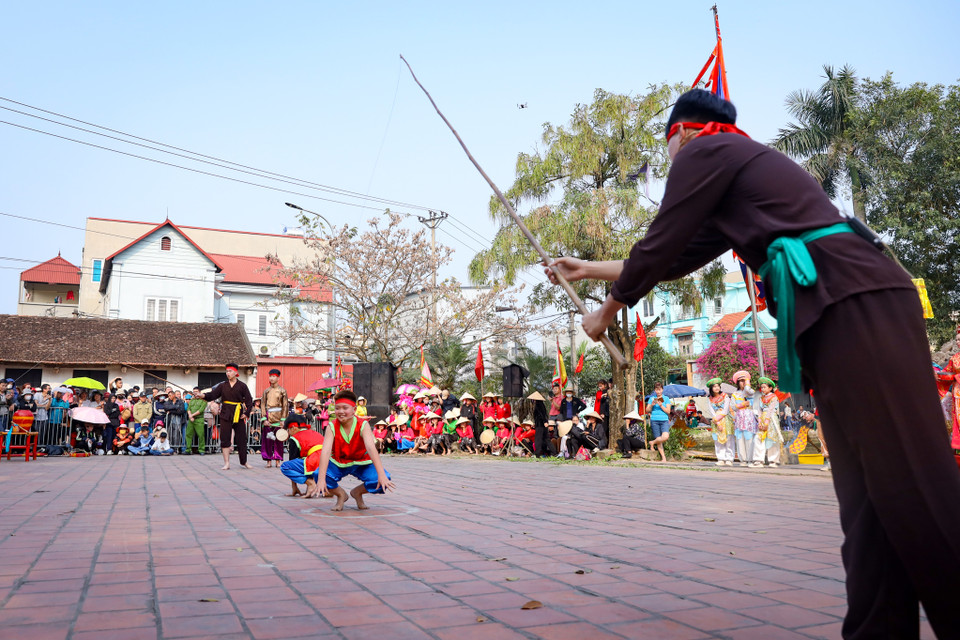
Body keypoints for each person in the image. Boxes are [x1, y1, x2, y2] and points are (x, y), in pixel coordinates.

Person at [546, 87, 960, 637]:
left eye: (668, 149)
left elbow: (661, 241)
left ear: (683, 133)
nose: (673, 162)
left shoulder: (706, 151)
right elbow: (678, 258)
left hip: (853, 299)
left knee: (912, 483)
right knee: (866, 504)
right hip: (838, 308)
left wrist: (607, 311)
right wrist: (589, 269)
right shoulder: (739, 173)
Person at [316, 390, 395, 511]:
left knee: (384, 480)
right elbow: (325, 452)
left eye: (345, 408)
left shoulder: (363, 425)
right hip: (339, 462)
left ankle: (357, 492)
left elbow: (371, 448)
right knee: (318, 475)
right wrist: (321, 480)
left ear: (354, 409)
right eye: (337, 408)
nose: (341, 411)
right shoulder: (331, 427)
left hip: (362, 462)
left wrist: (381, 475)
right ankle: (341, 494)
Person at [203, 363, 254, 470]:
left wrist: (246, 413)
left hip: (238, 413)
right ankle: (227, 463)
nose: (228, 373)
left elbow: (249, 401)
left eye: (230, 371)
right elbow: (212, 395)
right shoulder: (222, 385)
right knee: (225, 438)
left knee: (241, 439)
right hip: (225, 413)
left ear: (236, 373)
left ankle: (244, 462)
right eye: (226, 371)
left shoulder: (242, 386)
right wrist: (202, 395)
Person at [280, 413, 324, 498]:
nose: (289, 433)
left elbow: (292, 461)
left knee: (285, 466)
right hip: (329, 463)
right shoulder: (315, 433)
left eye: (288, 430)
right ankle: (327, 489)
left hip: (315, 461)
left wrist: (294, 486)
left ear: (293, 428)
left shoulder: (295, 438)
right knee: (304, 462)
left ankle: (310, 483)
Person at [260, 369, 288, 468]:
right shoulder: (266, 391)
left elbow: (285, 406)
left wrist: (283, 420)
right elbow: (262, 405)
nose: (272, 378)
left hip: (279, 417)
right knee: (267, 440)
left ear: (278, 378)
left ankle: (278, 459)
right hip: (268, 417)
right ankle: (268, 460)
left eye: (274, 376)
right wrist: (264, 419)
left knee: (279, 440)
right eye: (270, 376)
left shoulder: (282, 391)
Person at [754, 377, 784, 468]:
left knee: (773, 439)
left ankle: (773, 460)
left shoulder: (774, 397)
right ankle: (759, 460)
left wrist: (766, 422)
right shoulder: (761, 398)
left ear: (770, 388)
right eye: (762, 387)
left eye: (764, 387)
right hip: (763, 417)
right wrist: (759, 421)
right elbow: (759, 410)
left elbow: (771, 410)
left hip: (772, 419)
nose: (762, 389)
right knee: (758, 438)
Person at [730, 371, 758, 466]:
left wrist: (747, 385)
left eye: (744, 380)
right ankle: (743, 460)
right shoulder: (735, 394)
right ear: (737, 383)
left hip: (749, 417)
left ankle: (750, 459)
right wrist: (742, 404)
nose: (743, 382)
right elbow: (733, 406)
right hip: (739, 418)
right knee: (740, 438)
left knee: (749, 438)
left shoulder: (751, 392)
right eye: (741, 381)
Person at [705, 379, 735, 465]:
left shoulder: (725, 396)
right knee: (717, 439)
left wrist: (718, 419)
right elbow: (711, 411)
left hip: (725, 419)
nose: (717, 388)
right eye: (714, 386)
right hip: (715, 421)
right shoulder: (709, 399)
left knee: (729, 438)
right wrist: (717, 423)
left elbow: (725, 410)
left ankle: (729, 459)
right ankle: (721, 458)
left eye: (718, 386)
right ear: (711, 388)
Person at [645, 383, 672, 463]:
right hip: (654, 420)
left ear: (662, 390)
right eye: (657, 389)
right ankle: (663, 458)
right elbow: (647, 410)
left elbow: (668, 411)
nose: (658, 391)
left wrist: (661, 405)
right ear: (655, 390)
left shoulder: (666, 399)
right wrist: (652, 405)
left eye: (659, 389)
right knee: (659, 440)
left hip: (664, 420)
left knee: (665, 436)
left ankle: (652, 442)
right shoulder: (652, 398)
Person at [185, 387, 207, 456]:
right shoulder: (192, 400)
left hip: (199, 419)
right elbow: (188, 408)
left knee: (200, 435)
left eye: (196, 391)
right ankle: (188, 449)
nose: (195, 393)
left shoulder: (203, 400)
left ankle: (201, 450)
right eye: (194, 391)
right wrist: (190, 415)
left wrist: (192, 416)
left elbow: (200, 410)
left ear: (199, 392)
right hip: (191, 420)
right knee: (188, 434)